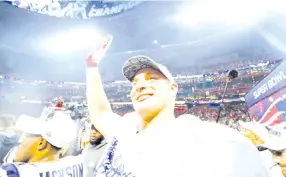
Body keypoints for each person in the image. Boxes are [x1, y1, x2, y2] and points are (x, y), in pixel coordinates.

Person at [85, 35, 271, 177]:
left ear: (173, 88)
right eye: (134, 83)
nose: (140, 86)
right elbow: (100, 113)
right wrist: (92, 65)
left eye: (152, 79)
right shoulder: (126, 128)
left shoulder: (203, 138)